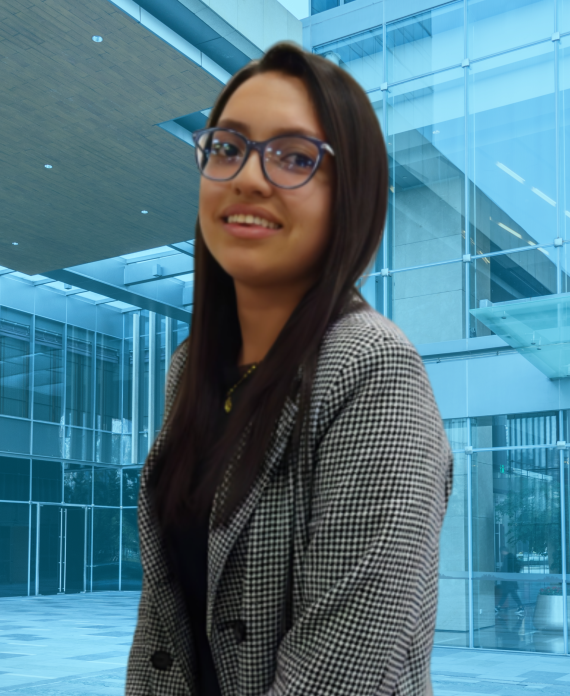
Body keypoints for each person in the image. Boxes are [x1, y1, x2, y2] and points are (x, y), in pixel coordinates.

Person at [126, 42, 453, 696]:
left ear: (351, 196)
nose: (248, 177)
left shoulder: (373, 368)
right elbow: (165, 619)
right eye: (227, 148)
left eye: (296, 157)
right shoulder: (192, 369)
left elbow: (342, 671)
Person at [496, 547, 524, 616]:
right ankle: (498, 607)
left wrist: (500, 572)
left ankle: (521, 607)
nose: (501, 554)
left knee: (512, 594)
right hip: (510, 579)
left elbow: (506, 569)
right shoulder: (511, 557)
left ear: (502, 551)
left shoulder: (508, 558)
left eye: (501, 552)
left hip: (508, 580)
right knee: (506, 594)